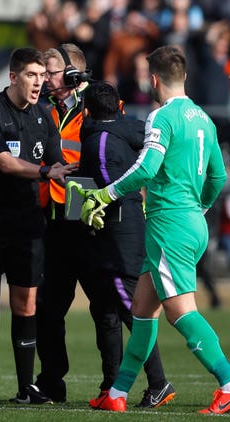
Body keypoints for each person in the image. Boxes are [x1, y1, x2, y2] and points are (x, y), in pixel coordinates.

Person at [80, 46, 230, 415]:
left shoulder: (161, 117)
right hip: (190, 221)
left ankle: (228, 383)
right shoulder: (204, 119)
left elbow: (146, 169)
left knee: (180, 312)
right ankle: (117, 393)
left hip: (168, 223)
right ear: (185, 78)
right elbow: (219, 176)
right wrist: (200, 209)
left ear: (154, 80)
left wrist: (105, 193)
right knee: (143, 312)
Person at [0, 47, 76, 406]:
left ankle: (26, 388)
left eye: (42, 75)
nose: (39, 82)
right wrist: (44, 172)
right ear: (13, 77)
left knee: (26, 304)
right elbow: (5, 164)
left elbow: (60, 161)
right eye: (31, 75)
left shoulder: (44, 115)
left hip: (28, 222)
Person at [74, 81, 174, 408]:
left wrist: (86, 203)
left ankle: (158, 382)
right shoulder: (134, 130)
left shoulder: (99, 141)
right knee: (105, 311)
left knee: (133, 311)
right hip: (122, 230)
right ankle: (112, 388)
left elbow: (108, 184)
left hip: (118, 234)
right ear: (119, 107)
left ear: (86, 111)